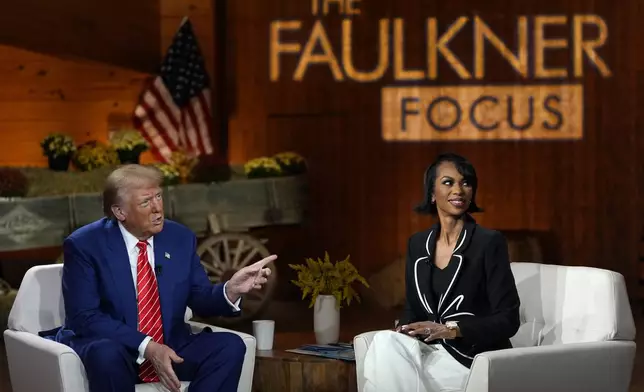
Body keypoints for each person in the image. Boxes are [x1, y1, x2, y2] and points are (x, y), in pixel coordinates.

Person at [59, 164, 277, 392]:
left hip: (171, 344)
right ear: (120, 212)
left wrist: (231, 290)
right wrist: (147, 346)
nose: (158, 209)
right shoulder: (86, 244)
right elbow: (84, 316)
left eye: (159, 197)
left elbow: (199, 296)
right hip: (119, 347)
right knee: (105, 355)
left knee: (230, 346)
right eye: (146, 202)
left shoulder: (179, 237)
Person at [362, 153, 521, 392]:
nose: (459, 189)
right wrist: (404, 329)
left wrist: (451, 330)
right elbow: (412, 310)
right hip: (429, 352)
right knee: (384, 342)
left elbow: (508, 319)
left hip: (469, 357)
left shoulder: (489, 242)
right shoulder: (417, 243)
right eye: (448, 182)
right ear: (432, 193)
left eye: (466, 182)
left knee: (384, 371)